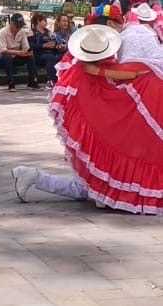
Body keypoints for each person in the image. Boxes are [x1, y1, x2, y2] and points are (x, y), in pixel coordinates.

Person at [11, 25, 163, 214]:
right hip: (99, 129)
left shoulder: (81, 69)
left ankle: (32, 176)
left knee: (87, 186)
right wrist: (138, 74)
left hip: (98, 131)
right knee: (87, 187)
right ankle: (32, 176)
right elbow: (121, 77)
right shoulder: (90, 72)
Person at [0, 13, 38, 91]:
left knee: (30, 57)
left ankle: (32, 82)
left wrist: (28, 52)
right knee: (7, 57)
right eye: (17, 26)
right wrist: (18, 52)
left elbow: (25, 47)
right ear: (12, 24)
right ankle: (11, 84)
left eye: (20, 26)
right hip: (0, 57)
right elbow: (3, 51)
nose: (19, 28)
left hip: (15, 56)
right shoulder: (3, 32)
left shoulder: (22, 32)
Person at [118, 3, 163, 75]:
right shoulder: (150, 32)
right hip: (148, 69)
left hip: (128, 67)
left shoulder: (128, 29)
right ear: (151, 20)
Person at [29, 13, 60, 86]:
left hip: (51, 52)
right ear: (38, 21)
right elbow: (30, 45)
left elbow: (55, 41)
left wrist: (55, 45)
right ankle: (51, 80)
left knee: (60, 56)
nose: (46, 22)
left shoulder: (48, 32)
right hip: (39, 55)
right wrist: (43, 45)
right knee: (50, 58)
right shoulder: (32, 32)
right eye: (44, 20)